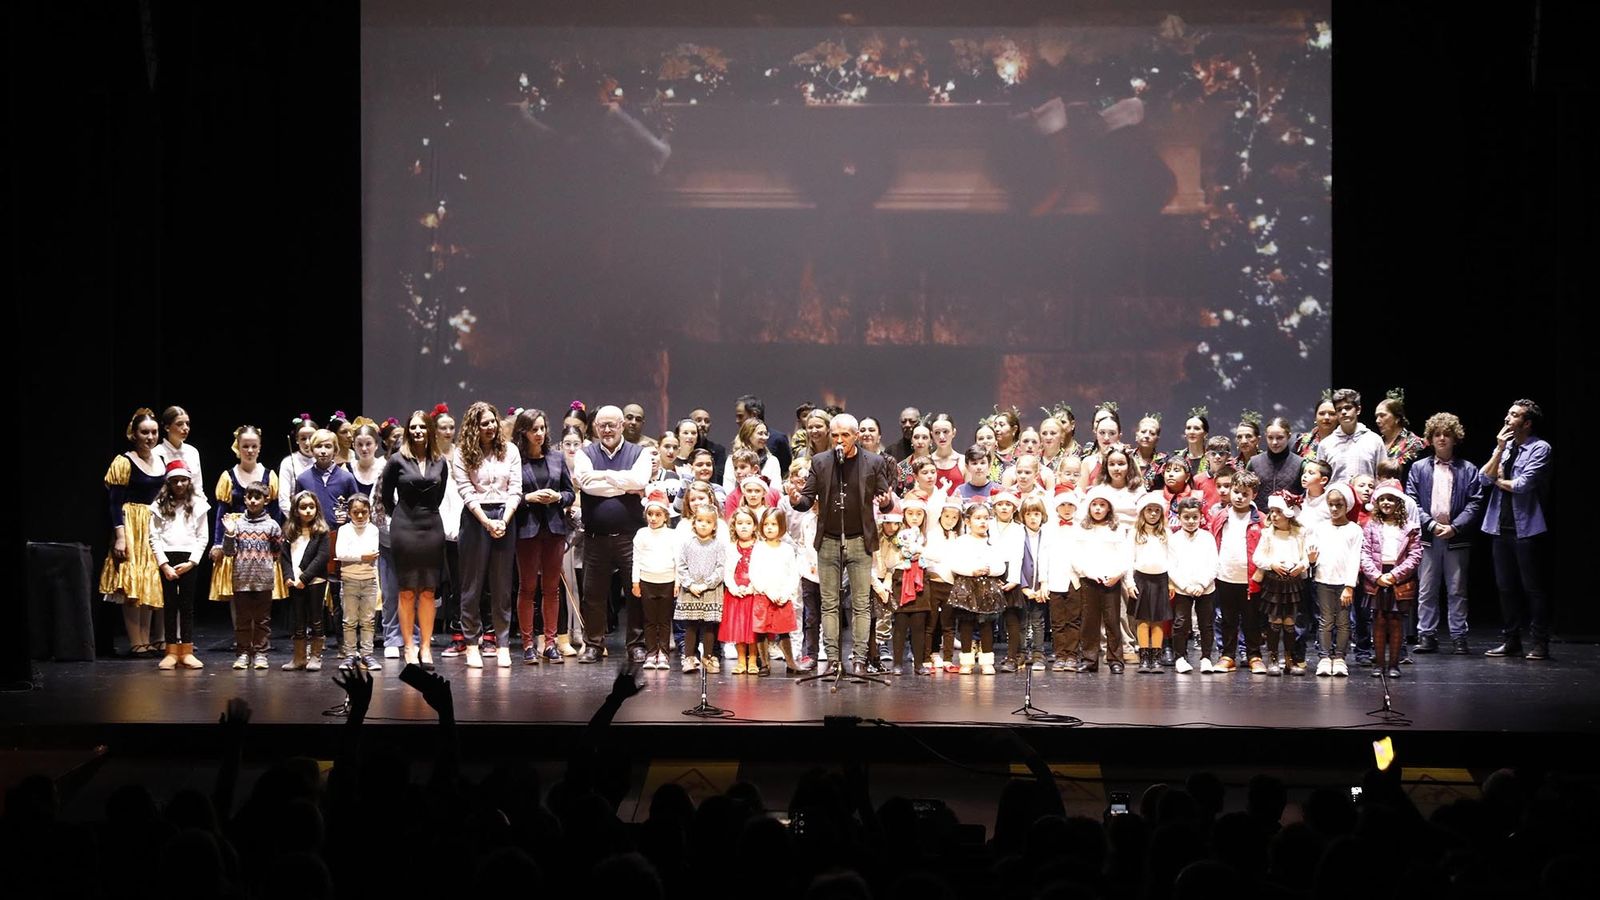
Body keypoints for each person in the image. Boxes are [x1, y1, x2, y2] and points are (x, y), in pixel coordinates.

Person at [782, 413, 896, 676]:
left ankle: (858, 659)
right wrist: (795, 498)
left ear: (855, 436)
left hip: (859, 538)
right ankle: (833, 660)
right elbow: (806, 501)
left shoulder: (873, 461)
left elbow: (885, 499)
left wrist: (886, 502)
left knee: (860, 604)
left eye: (845, 435)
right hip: (829, 539)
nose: (839, 440)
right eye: (835, 435)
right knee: (829, 603)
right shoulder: (820, 462)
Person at [573, 405, 653, 664]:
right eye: (602, 425)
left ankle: (636, 645)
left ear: (621, 426)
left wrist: (604, 478)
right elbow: (586, 484)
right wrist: (623, 482)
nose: (607, 430)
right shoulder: (585, 454)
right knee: (593, 595)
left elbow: (640, 482)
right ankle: (593, 645)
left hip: (630, 537)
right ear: (595, 427)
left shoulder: (638, 453)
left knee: (635, 593)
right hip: (596, 538)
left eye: (612, 425)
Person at [1405, 412, 1486, 656]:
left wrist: (1455, 527)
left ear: (1455, 438)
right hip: (1429, 538)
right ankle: (1427, 635)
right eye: (1437, 434)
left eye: (1447, 434)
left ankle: (1459, 636)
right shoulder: (1419, 468)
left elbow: (1475, 502)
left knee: (1457, 589)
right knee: (1427, 589)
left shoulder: (1468, 469)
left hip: (1456, 538)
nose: (1442, 438)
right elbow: (1412, 500)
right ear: (1430, 438)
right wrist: (1430, 525)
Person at [450, 400, 522, 669]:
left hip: (505, 516)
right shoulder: (462, 453)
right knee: (472, 586)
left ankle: (502, 644)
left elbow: (515, 488)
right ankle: (471, 644)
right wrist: (486, 522)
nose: (490, 427)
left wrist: (502, 520)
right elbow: (466, 490)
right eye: (484, 423)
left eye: (493, 421)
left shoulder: (511, 450)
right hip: (475, 518)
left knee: (502, 586)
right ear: (473, 427)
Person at [1479, 399, 1553, 660]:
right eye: (1508, 414)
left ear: (1527, 422)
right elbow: (1483, 478)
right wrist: (1499, 449)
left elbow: (1523, 484)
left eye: (1514, 415)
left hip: (1527, 529)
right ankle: (1511, 640)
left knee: (1532, 587)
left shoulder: (1540, 448)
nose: (1508, 419)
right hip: (1500, 527)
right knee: (1505, 587)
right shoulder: (1507, 446)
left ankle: (1540, 642)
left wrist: (1499, 479)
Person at [381, 409, 449, 669]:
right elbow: (386, 498)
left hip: (431, 527)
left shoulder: (440, 461)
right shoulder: (397, 460)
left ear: (429, 431)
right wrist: (400, 517)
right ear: (408, 431)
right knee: (407, 591)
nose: (418, 431)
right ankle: (408, 646)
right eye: (413, 427)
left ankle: (426, 647)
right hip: (404, 528)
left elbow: (439, 496)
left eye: (422, 427)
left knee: (429, 591)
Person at [511, 409, 574, 664]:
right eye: (533, 429)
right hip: (527, 529)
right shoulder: (516, 459)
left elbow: (569, 492)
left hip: (554, 528)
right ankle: (528, 644)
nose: (539, 433)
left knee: (552, 589)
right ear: (523, 432)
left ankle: (550, 643)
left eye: (542, 428)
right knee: (527, 588)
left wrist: (559, 497)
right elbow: (510, 493)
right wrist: (528, 498)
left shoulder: (557, 458)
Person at [208, 426, 284, 611]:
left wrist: (277, 542)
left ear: (259, 447)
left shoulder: (269, 476)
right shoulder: (228, 476)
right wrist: (218, 543)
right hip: (236, 535)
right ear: (238, 447)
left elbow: (276, 511)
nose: (249, 451)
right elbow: (221, 512)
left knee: (262, 588)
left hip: (262, 537)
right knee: (237, 588)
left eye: (253, 446)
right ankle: (241, 634)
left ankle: (258, 635)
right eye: (245, 446)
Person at [150, 460, 210, 670]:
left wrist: (192, 562)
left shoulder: (198, 505)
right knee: (169, 606)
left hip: (188, 558)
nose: (179, 485)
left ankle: (186, 650)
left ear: (189, 481)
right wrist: (164, 564)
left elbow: (203, 537)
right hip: (167, 557)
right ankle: (171, 651)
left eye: (183, 480)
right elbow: (154, 537)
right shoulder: (159, 505)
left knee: (186, 606)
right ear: (169, 483)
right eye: (175, 481)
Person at [1360, 482, 1422, 678]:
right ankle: (1379, 664)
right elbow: (1365, 554)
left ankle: (1394, 665)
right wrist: (1377, 576)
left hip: (1398, 578)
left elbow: (1415, 556)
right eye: (1382, 499)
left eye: (1391, 499)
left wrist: (1395, 575)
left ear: (1399, 503)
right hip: (1377, 577)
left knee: (1395, 621)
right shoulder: (1371, 526)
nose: (1386, 503)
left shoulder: (1410, 527)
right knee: (1378, 620)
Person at [1207, 470, 1264, 674]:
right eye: (1236, 491)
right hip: (1225, 576)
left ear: (1253, 495)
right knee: (1227, 619)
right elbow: (1212, 542)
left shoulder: (1261, 519)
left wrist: (1261, 571)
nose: (1239, 497)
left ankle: (1254, 655)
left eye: (1245, 493)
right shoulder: (1220, 516)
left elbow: (1267, 547)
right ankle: (1227, 655)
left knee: (1252, 619)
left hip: (1251, 579)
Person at [221, 481, 281, 670]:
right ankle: (243, 653)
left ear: (266, 500)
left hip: (263, 581)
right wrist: (230, 533)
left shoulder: (272, 525)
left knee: (263, 621)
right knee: (243, 620)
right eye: (250, 497)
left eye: (258, 497)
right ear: (244, 499)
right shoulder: (237, 524)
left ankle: (261, 653)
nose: (254, 501)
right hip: (242, 580)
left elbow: (277, 552)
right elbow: (229, 552)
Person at [1074, 486, 1132, 674]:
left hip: (1111, 581)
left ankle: (1116, 659)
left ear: (1109, 508)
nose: (1098, 509)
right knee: (1089, 622)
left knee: (1113, 621)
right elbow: (1076, 556)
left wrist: (1117, 574)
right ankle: (1089, 659)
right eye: (1095, 505)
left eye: (1102, 505)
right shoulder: (1082, 528)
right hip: (1089, 580)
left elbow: (1125, 555)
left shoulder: (1117, 529)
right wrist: (1088, 572)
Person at [1252, 491, 1309, 676]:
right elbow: (1257, 557)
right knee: (1275, 621)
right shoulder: (1268, 534)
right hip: (1274, 583)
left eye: (1278, 511)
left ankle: (1290, 659)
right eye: (1272, 511)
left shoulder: (1299, 534)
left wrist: (1301, 565)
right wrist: (1272, 564)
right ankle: (1274, 658)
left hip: (1292, 583)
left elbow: (1306, 556)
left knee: (1290, 622)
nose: (1274, 516)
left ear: (1289, 513)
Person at [947, 503, 1006, 675]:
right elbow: (954, 563)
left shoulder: (993, 542)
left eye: (986, 518)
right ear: (967, 521)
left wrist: (990, 570)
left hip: (987, 586)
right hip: (967, 585)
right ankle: (966, 660)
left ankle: (987, 660)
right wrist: (972, 570)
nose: (982, 522)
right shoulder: (961, 541)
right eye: (978, 518)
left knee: (987, 624)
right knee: (966, 624)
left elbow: (1001, 565)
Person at [1308, 483, 1361, 676]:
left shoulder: (1354, 530)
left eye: (1339, 504)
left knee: (1344, 621)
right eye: (1330, 504)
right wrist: (1311, 561)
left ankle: (1339, 657)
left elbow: (1355, 558)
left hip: (1343, 583)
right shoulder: (1320, 528)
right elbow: (1312, 554)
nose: (1334, 509)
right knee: (1326, 620)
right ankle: (1324, 657)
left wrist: (1349, 586)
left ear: (1347, 505)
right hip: (1323, 580)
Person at [281, 490, 332, 671]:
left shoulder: (321, 531)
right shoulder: (289, 531)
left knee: (316, 618)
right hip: (295, 581)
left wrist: (304, 577)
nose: (308, 511)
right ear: (296, 511)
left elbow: (322, 557)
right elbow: (284, 557)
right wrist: (288, 576)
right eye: (303, 507)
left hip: (314, 580)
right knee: (298, 619)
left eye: (312, 507)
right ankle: (299, 657)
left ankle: (316, 657)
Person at [1167, 496, 1218, 674]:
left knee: (1206, 623)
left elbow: (1213, 564)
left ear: (1201, 517)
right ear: (1179, 517)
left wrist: (1202, 584)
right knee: (1181, 623)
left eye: (1194, 517)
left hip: (1205, 588)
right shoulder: (1174, 539)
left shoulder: (1207, 538)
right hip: (1183, 588)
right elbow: (1171, 567)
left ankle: (1206, 657)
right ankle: (1180, 657)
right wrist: (1186, 586)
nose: (1190, 521)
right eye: (1186, 517)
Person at [631, 491, 680, 670]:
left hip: (667, 581)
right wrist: (635, 582)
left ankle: (664, 654)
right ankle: (651, 653)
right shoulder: (641, 534)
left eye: (658, 514)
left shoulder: (672, 535)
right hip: (647, 581)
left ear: (665, 516)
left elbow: (677, 560)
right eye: (650, 514)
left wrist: (677, 583)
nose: (653, 518)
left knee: (665, 620)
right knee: (650, 620)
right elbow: (636, 559)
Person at [674, 505, 725, 673]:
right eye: (700, 521)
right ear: (694, 523)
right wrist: (690, 584)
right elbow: (681, 566)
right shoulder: (687, 544)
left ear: (714, 525)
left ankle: (708, 657)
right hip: (692, 590)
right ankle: (689, 657)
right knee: (691, 625)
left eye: (708, 521)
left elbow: (720, 567)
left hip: (710, 590)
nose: (703, 524)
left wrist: (707, 584)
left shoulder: (718, 545)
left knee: (710, 625)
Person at [750, 507, 801, 676]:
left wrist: (786, 593)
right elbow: (754, 573)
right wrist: (767, 590)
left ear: (782, 526)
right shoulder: (759, 548)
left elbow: (793, 573)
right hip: (764, 595)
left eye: (774, 524)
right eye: (766, 524)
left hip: (782, 597)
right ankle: (764, 663)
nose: (770, 528)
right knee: (762, 630)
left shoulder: (786, 549)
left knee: (784, 630)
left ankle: (791, 662)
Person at [334, 494, 382, 672]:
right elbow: (340, 554)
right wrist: (362, 556)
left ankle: (367, 654)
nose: (360, 516)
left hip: (369, 580)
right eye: (356, 512)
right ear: (349, 513)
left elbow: (373, 553)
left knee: (368, 621)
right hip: (349, 580)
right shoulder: (344, 530)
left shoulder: (373, 530)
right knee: (349, 621)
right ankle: (350, 654)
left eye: (364, 512)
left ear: (369, 511)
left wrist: (355, 555)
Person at [1127, 492, 1173, 674]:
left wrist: (1171, 583)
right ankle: (1144, 657)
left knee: (1158, 620)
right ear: (1142, 512)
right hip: (1141, 580)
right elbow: (1128, 559)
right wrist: (1130, 582)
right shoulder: (1135, 533)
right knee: (1143, 620)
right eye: (1149, 510)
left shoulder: (1166, 534)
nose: (1153, 514)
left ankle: (1156, 657)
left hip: (1161, 580)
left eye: (1156, 511)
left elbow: (1172, 559)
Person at [1039, 489, 1082, 672]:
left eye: (1070, 505)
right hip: (1055, 578)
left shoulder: (1081, 526)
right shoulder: (1048, 528)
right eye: (1063, 505)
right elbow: (1043, 555)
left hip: (1076, 579)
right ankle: (1060, 655)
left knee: (1074, 619)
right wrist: (1043, 581)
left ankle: (1071, 655)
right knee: (1057, 621)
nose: (1066, 509)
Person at [719, 508, 760, 674]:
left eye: (748, 523)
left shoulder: (759, 547)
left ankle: (753, 660)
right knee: (738, 627)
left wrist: (752, 587)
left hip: (754, 592)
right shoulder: (730, 548)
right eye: (740, 523)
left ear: (755, 526)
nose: (744, 527)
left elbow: (761, 571)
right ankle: (741, 660)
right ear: (734, 526)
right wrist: (734, 588)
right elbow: (727, 571)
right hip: (735, 593)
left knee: (752, 628)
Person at [1317, 389, 1385, 483]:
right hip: (1333, 496)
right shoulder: (1325, 444)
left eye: (1348, 408)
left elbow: (1383, 478)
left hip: (1365, 497)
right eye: (1339, 409)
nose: (1343, 412)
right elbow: (1319, 480)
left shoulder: (1374, 441)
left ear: (1358, 410)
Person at [1248, 418, 1303, 511]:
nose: (1274, 442)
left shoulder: (1300, 464)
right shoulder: (1254, 462)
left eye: (1280, 438)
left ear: (1288, 436)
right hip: (1260, 521)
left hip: (1290, 521)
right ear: (1265, 436)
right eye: (1270, 437)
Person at [1374, 392, 1427, 484]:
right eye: (1376, 416)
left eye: (1382, 415)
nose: (1377, 420)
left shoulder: (1415, 443)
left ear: (1397, 418)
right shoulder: (1376, 442)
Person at [734, 394, 792, 475]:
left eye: (740, 416)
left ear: (754, 415)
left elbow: (786, 471)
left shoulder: (778, 439)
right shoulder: (737, 442)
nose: (737, 420)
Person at [154, 405, 203, 498]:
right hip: (164, 506)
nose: (185, 428)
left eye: (187, 424)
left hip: (190, 507)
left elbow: (198, 486)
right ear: (167, 427)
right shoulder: (156, 453)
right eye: (179, 424)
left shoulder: (192, 452)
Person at [278, 414, 317, 518]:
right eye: (303, 438)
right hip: (295, 519)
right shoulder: (288, 462)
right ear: (296, 439)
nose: (308, 443)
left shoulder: (324, 460)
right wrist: (297, 519)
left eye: (312, 437)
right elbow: (283, 499)